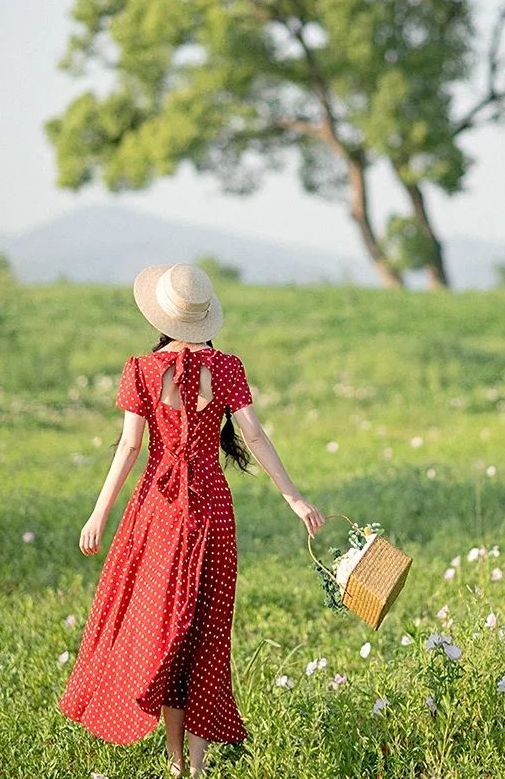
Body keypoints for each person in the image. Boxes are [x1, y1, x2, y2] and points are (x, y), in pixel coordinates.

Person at [57, 263, 326, 777]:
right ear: (204, 319)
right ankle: (193, 766)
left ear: (160, 314)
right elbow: (255, 436)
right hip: (211, 511)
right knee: (204, 636)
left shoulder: (140, 368)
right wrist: (292, 496)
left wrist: (99, 512)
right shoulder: (225, 368)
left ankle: (178, 761)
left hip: (156, 514)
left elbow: (131, 447)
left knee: (162, 631)